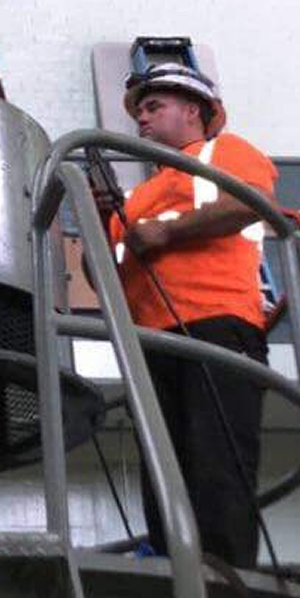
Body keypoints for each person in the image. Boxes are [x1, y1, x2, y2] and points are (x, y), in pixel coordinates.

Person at [93, 62, 278, 568]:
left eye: (154, 107)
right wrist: (98, 224)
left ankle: (223, 571)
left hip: (219, 323)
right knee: (163, 460)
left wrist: (167, 234)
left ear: (193, 111)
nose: (141, 121)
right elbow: (102, 269)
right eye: (140, 112)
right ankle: (171, 558)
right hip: (151, 341)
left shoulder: (225, 153)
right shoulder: (133, 199)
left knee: (217, 454)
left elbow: (252, 202)